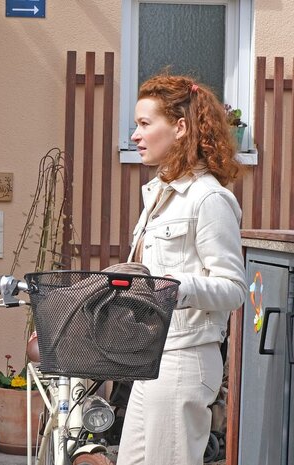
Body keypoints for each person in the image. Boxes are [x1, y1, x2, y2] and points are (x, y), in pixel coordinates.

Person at [118, 75, 247, 465]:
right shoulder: (159, 196)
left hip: (183, 361)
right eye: (136, 125)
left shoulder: (208, 199)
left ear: (180, 127)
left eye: (144, 124)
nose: (135, 135)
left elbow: (233, 287)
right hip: (151, 359)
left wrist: (173, 286)